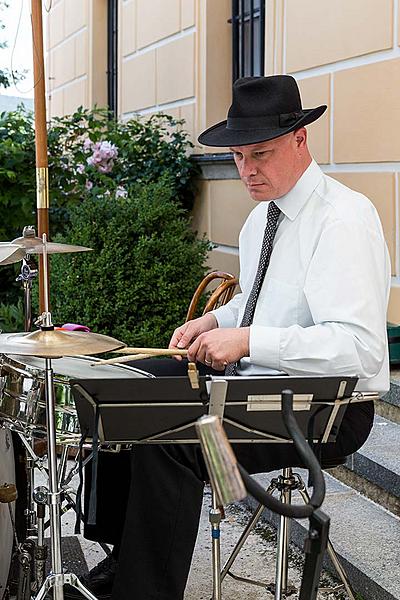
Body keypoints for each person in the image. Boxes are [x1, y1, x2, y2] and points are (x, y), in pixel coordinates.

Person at [68, 75, 390, 600]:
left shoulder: (344, 219)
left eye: (259, 154)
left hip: (328, 408)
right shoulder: (263, 214)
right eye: (238, 156)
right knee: (127, 391)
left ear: (300, 140)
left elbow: (358, 348)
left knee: (174, 439)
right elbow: (262, 301)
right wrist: (216, 322)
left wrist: (248, 341)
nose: (247, 170)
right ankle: (122, 554)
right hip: (254, 387)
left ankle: (144, 589)